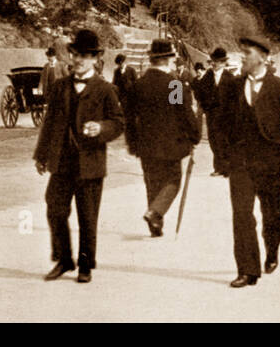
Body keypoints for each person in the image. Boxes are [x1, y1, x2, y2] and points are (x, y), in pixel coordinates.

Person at [215, 36, 280, 288]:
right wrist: (223, 157)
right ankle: (247, 269)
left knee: (271, 211)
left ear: (263, 58)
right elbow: (220, 124)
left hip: (270, 163)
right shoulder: (232, 86)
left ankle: (272, 250)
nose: (242, 57)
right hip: (240, 161)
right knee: (242, 214)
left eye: (247, 53)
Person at [33, 29, 124, 283]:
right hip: (62, 161)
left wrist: (101, 128)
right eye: (76, 55)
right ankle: (63, 259)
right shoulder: (61, 87)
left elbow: (118, 123)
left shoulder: (106, 89)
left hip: (90, 163)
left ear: (95, 59)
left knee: (87, 216)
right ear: (71, 56)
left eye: (86, 55)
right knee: (55, 209)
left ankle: (85, 265)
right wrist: (41, 155)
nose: (80, 60)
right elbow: (49, 123)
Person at [125, 39, 201, 237]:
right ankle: (155, 213)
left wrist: (132, 143)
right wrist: (194, 135)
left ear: (151, 59)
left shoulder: (138, 86)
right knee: (173, 181)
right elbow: (183, 113)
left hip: (145, 144)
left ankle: (155, 225)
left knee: (152, 182)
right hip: (170, 144)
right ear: (168, 60)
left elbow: (129, 118)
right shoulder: (173, 85)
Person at [195, 48, 234, 176]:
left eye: (217, 62)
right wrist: (206, 108)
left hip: (226, 117)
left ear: (223, 63)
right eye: (213, 61)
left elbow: (235, 98)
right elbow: (199, 92)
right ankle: (218, 168)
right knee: (213, 141)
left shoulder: (230, 78)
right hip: (212, 115)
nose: (214, 64)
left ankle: (227, 168)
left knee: (225, 141)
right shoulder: (208, 76)